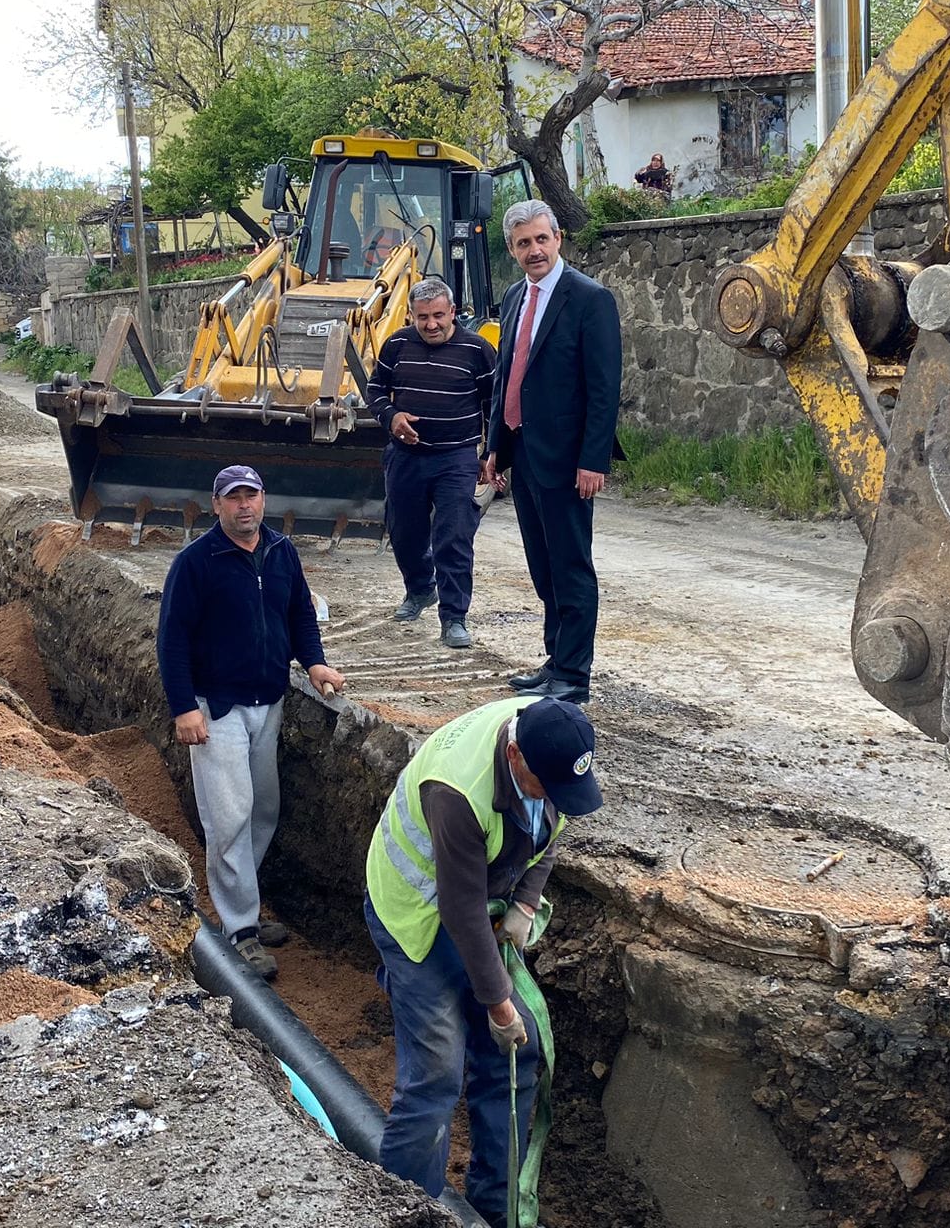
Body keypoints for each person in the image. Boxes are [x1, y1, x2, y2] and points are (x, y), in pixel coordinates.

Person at [364, 695, 602, 1227]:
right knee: (435, 1075)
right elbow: (460, 911)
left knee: (516, 1054)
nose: (557, 798)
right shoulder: (457, 792)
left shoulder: (552, 741)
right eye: (546, 787)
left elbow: (549, 833)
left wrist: (524, 901)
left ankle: (498, 1209)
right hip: (416, 915)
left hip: (479, 906)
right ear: (515, 757)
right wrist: (498, 1005)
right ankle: (409, 1212)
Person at [158, 464, 347, 980]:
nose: (245, 505)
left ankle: (244, 902)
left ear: (264, 500)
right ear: (216, 505)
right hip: (215, 707)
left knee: (263, 807)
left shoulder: (282, 552)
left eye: (253, 495)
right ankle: (239, 928)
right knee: (230, 815)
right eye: (233, 497)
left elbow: (299, 617)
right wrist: (183, 707)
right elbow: (172, 639)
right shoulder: (196, 563)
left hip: (269, 700)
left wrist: (314, 663)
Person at [480, 201, 622, 704]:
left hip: (567, 460)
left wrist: (594, 460)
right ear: (513, 249)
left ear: (558, 238)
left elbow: (604, 388)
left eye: (541, 239)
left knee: (570, 567)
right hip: (524, 454)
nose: (534, 250)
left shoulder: (590, 299)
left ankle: (574, 676)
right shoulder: (516, 296)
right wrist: (495, 445)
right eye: (523, 243)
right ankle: (554, 659)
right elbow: (505, 378)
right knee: (542, 566)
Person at [366, 276, 498, 650]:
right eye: (422, 317)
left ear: (453, 312)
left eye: (439, 315)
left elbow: (495, 405)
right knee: (404, 533)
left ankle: (454, 617)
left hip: (456, 458)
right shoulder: (396, 344)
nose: (431, 324)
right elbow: (375, 390)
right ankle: (421, 588)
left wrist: (493, 456)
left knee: (453, 536)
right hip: (406, 457)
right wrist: (391, 417)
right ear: (412, 315)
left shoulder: (477, 350)